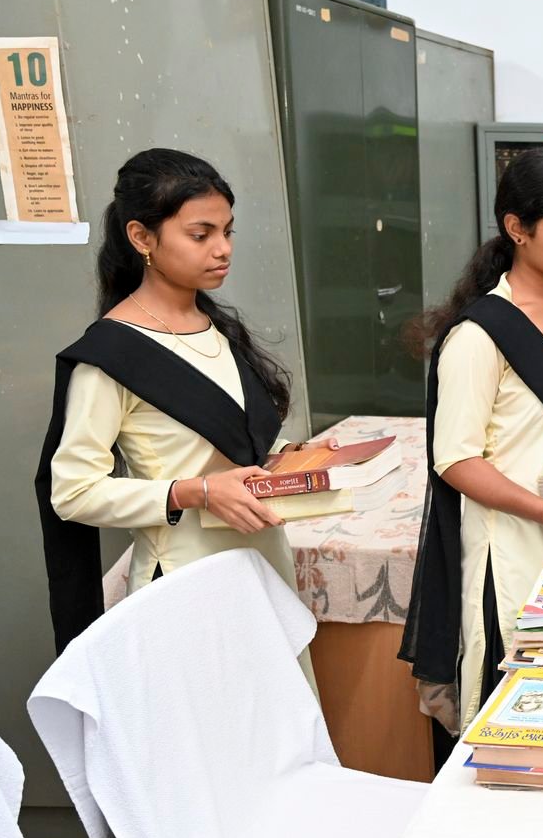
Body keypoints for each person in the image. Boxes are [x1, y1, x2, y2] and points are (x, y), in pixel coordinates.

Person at [37, 148, 329, 688]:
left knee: (281, 726)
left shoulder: (215, 327)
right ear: (141, 237)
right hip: (185, 579)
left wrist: (285, 459)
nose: (223, 248)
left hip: (261, 564)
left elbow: (215, 445)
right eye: (201, 234)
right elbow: (72, 493)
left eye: (228, 231)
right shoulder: (112, 356)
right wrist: (194, 492)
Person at [402, 147, 543, 734]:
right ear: (517, 229)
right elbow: (455, 460)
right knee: (527, 717)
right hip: (516, 552)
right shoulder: (481, 335)